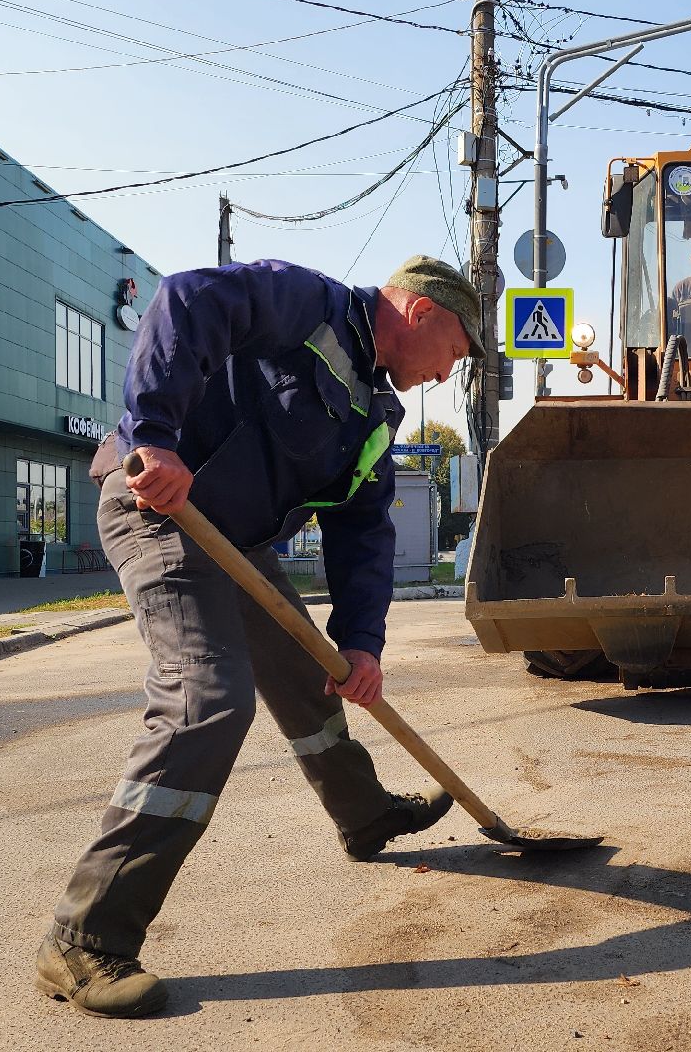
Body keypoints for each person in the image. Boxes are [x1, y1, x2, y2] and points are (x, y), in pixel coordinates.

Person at [37, 255, 482, 1018]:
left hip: (237, 542)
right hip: (160, 508)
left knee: (318, 673)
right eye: (455, 353)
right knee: (208, 699)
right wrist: (156, 434)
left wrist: (362, 646)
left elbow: (363, 533)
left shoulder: (375, 414)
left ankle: (366, 813)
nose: (447, 375)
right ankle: (84, 936)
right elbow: (186, 300)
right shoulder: (307, 306)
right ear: (420, 314)